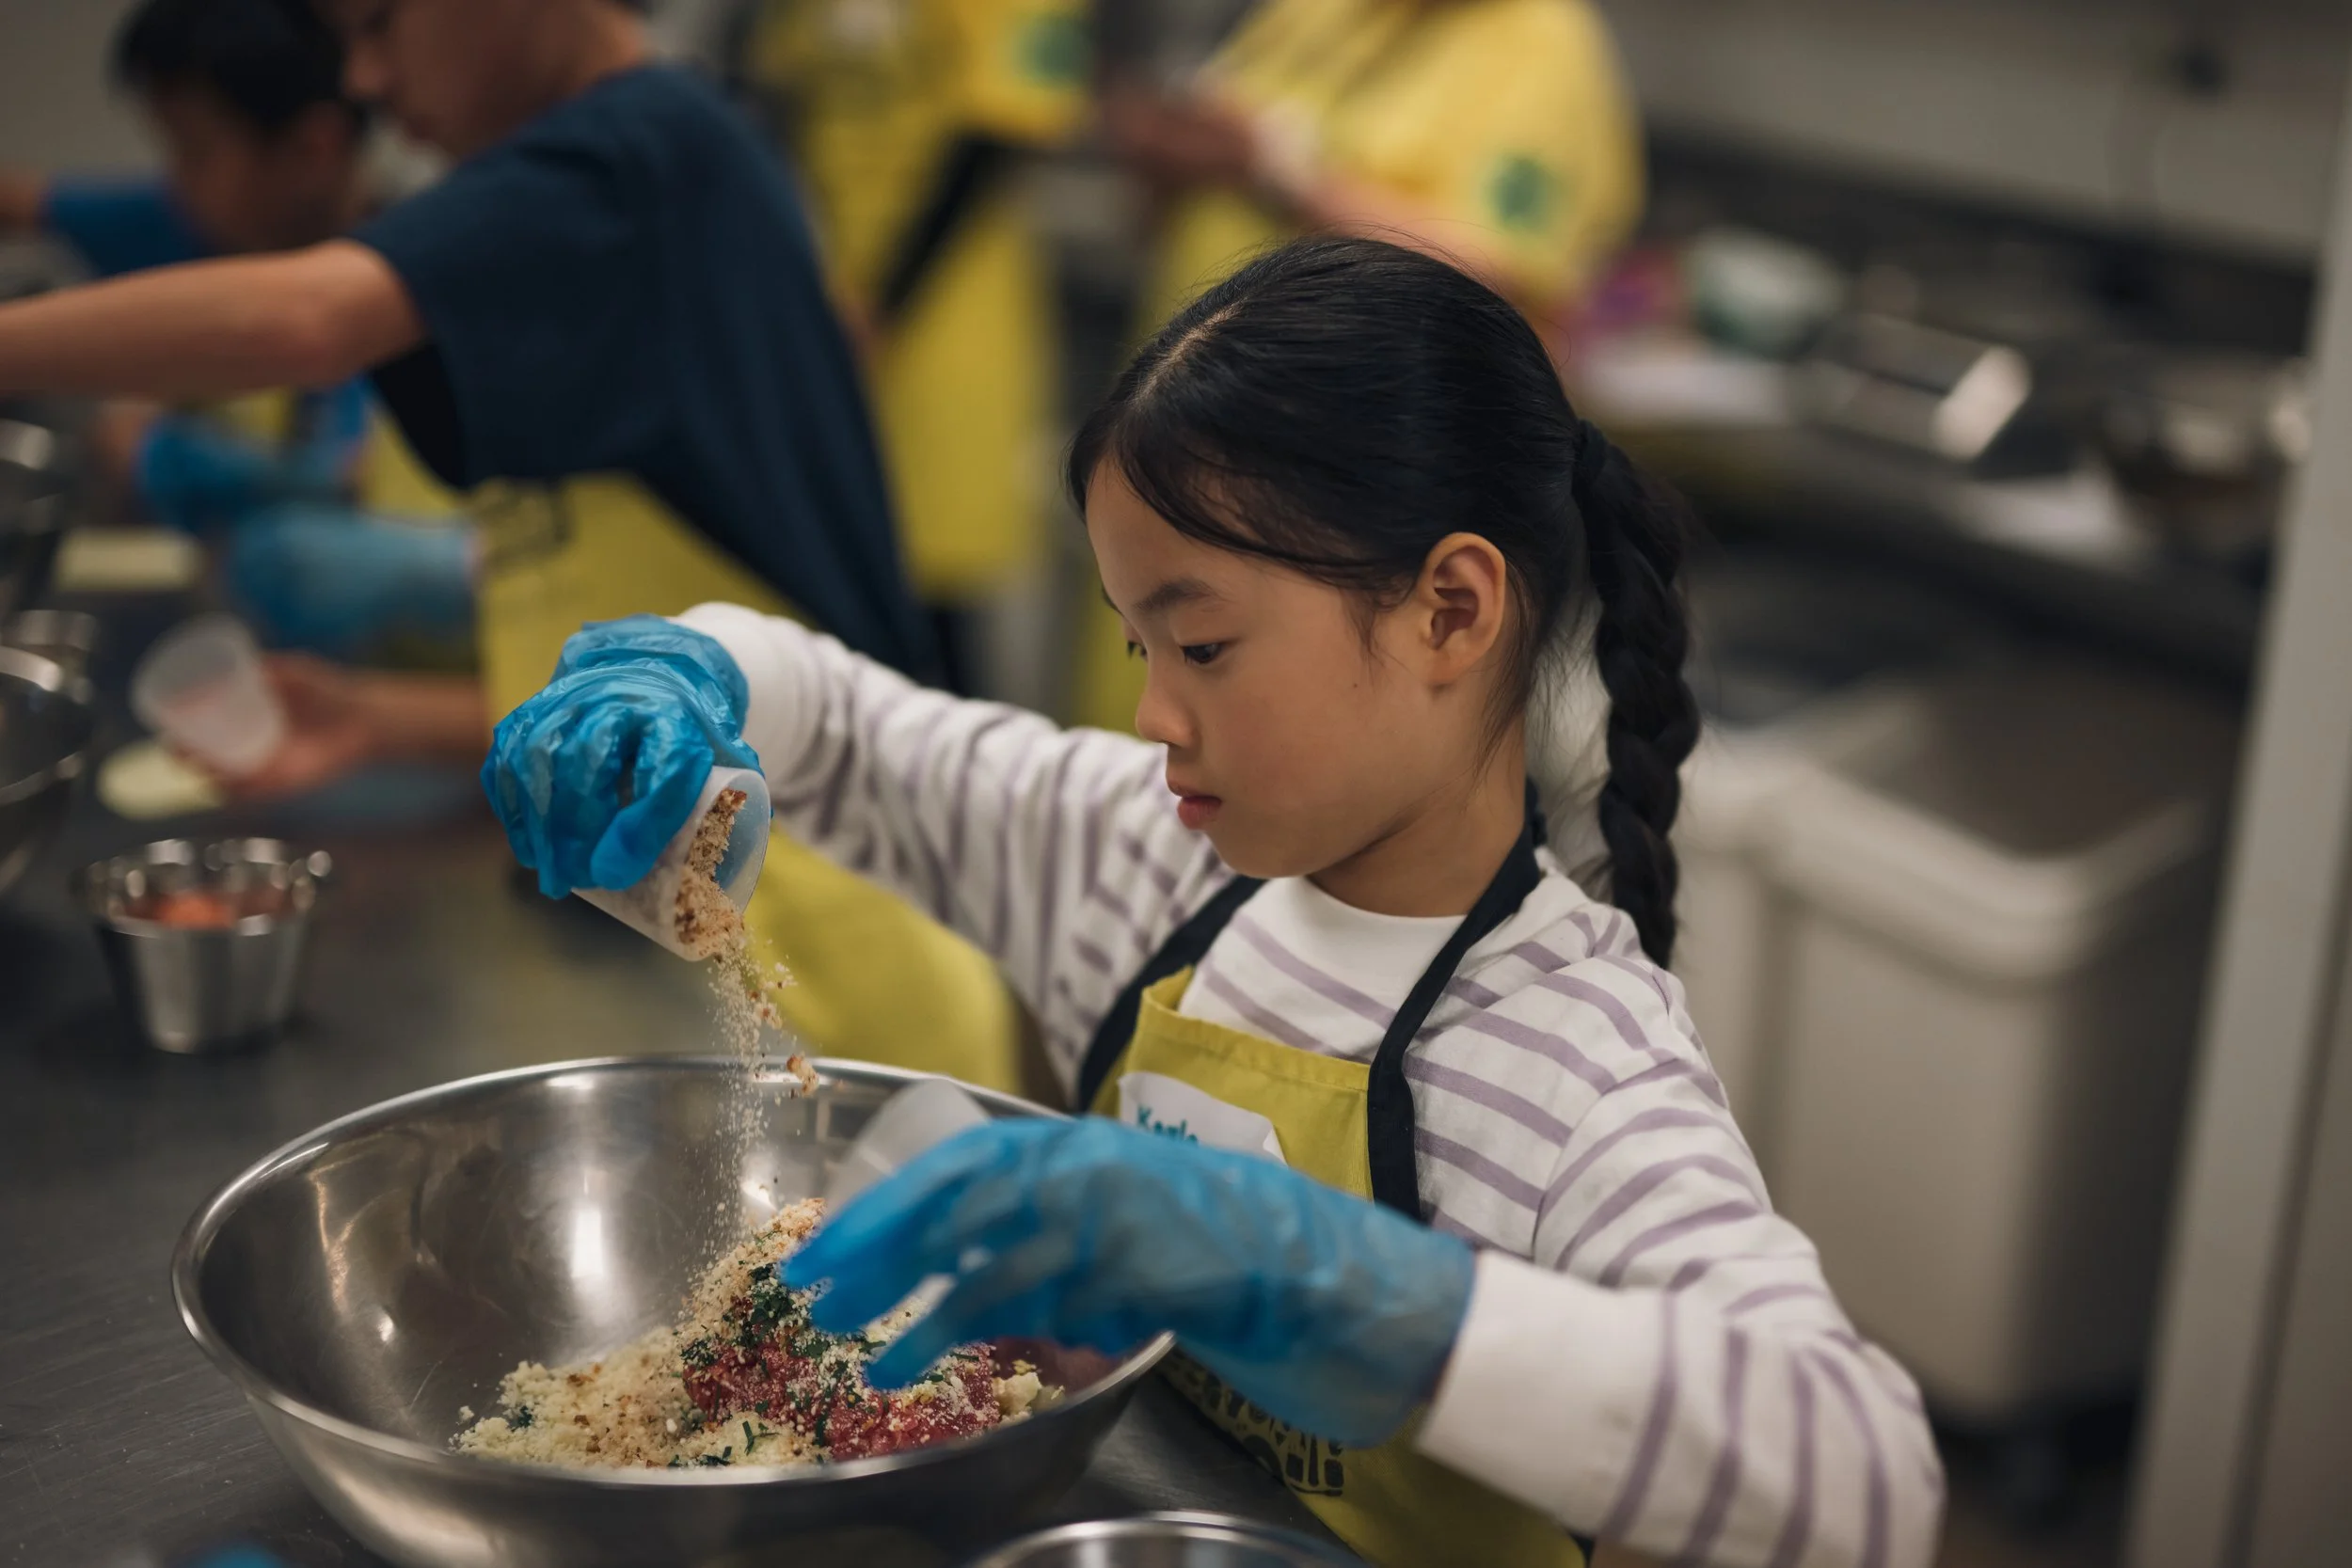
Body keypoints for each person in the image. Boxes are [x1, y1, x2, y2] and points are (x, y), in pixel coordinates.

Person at [482, 238, 1943, 1567]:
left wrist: (1350, 1287)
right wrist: (687, 682)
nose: (1152, 714)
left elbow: (1863, 1477)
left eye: (1205, 645)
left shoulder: (1576, 1065)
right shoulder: (1145, 860)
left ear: (1449, 608)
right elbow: (850, 724)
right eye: (1135, 642)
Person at [0, 0, 1021, 1088]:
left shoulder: (649, 146)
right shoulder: (595, 216)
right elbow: (655, 689)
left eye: (384, 23)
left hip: (836, 966)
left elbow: (298, 321)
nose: (368, 80)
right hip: (694, 950)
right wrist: (379, 720)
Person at [1071, 0, 1644, 732]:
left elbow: (1490, 274)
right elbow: (1173, 196)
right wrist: (1166, 152)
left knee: (1284, 757)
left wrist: (1275, 171)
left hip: (1337, 491)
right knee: (1151, 736)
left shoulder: (1539, 45)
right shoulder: (1321, 10)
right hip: (1185, 453)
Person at [0, 0, 469, 657]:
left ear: (314, 147)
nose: (176, 188)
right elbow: (37, 203)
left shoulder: (447, 304)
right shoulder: (230, 232)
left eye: (194, 152)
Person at [743, 0, 1089, 690]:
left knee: (933, 580)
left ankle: (952, 787)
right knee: (820, 569)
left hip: (944, 306)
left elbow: (1006, 131)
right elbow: (769, 100)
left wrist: (879, 302)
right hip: (820, 285)